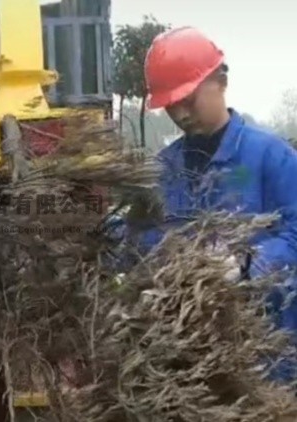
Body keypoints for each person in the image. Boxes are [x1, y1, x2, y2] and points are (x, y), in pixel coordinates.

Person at [138, 26, 297, 380]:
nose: (179, 114)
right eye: (170, 106)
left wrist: (245, 264)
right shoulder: (164, 169)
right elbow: (140, 235)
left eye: (188, 99)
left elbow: (295, 234)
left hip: (267, 354)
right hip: (190, 356)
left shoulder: (270, 157)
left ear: (220, 81)